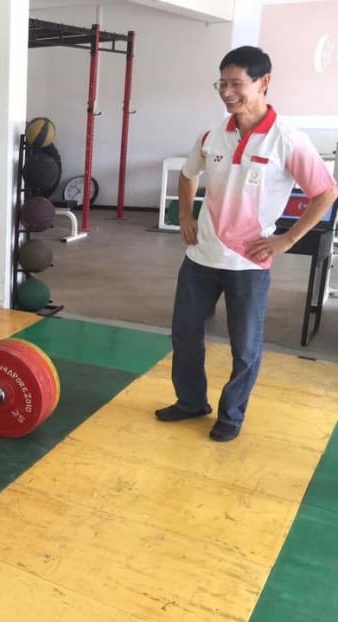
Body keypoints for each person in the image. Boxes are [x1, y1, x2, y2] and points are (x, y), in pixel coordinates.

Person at [155, 46, 338, 441]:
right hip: (201, 258)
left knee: (245, 348)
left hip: (248, 264)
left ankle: (231, 415)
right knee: (185, 334)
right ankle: (190, 402)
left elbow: (325, 192)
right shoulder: (212, 134)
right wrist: (185, 217)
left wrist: (287, 239)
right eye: (222, 84)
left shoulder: (286, 139)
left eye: (236, 84)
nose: (226, 93)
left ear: (264, 82)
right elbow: (188, 175)